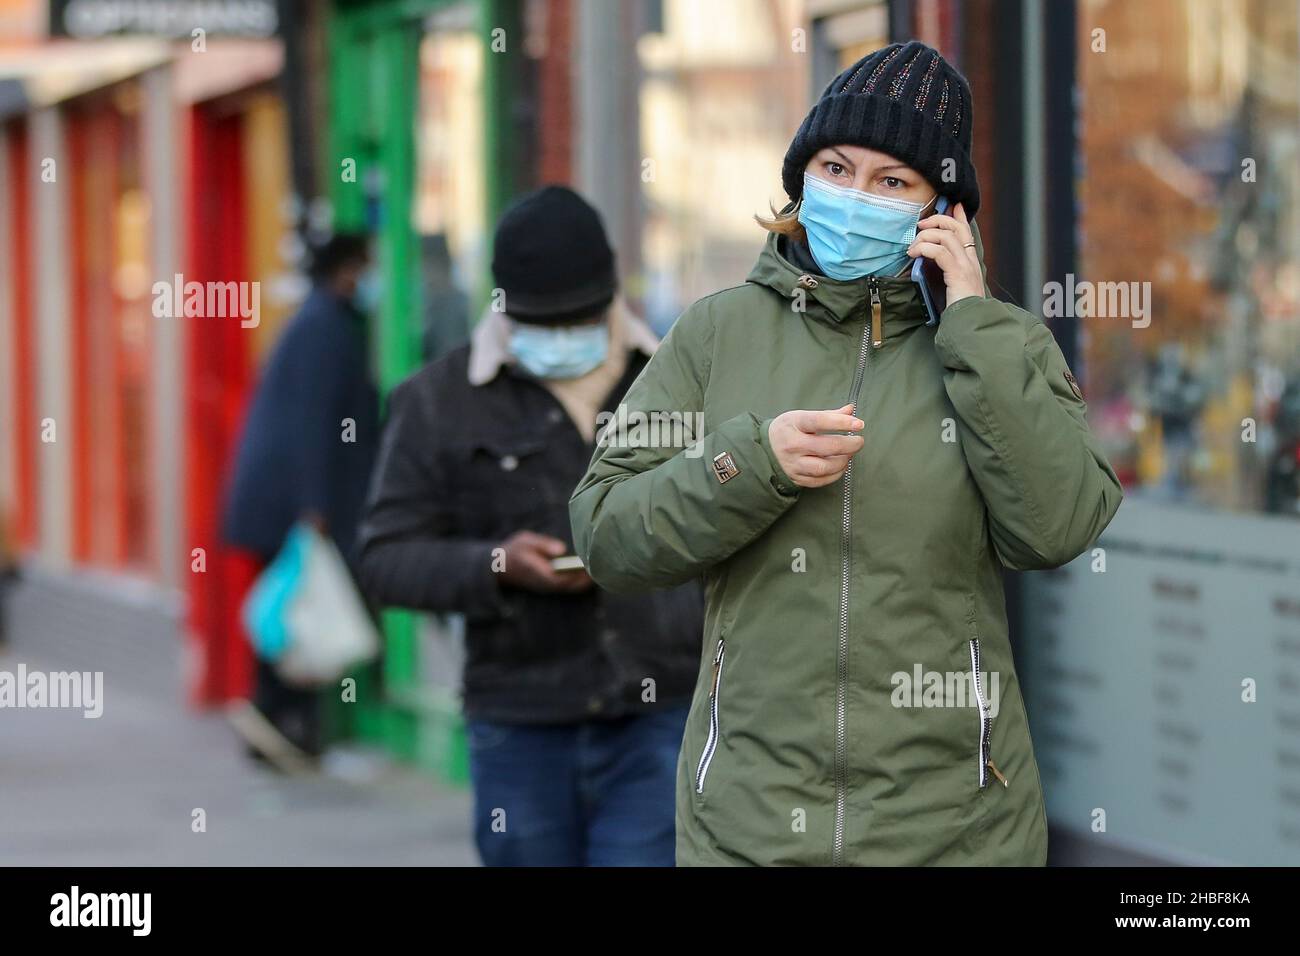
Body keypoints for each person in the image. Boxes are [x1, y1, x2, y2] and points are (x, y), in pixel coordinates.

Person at [570, 41, 1123, 866]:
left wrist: (971, 321)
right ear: (801, 177)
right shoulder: (718, 332)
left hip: (954, 831)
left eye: (892, 181)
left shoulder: (1001, 344)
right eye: (836, 167)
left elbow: (1058, 527)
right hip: (748, 824)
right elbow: (606, 533)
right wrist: (748, 466)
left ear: (945, 210)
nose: (856, 196)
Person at [356, 186, 703, 866]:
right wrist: (495, 564)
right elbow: (384, 558)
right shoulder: (436, 402)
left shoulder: (675, 381)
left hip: (661, 715)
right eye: (543, 325)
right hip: (520, 725)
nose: (563, 339)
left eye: (578, 320)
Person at [223, 232, 380, 767]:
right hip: (294, 502)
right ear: (346, 270)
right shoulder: (326, 329)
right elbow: (313, 423)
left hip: (286, 498)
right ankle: (278, 722)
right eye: (366, 266)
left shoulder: (316, 322)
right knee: (296, 615)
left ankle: (283, 725)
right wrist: (313, 508)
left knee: (297, 610)